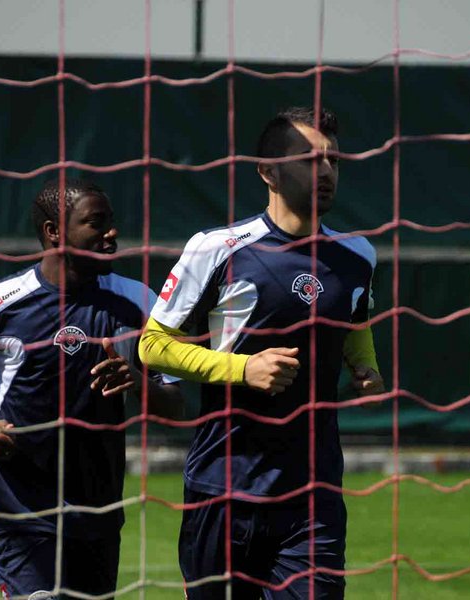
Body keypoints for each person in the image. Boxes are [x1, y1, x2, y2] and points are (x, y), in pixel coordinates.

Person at [139, 107, 384, 599]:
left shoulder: (358, 255)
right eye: (309, 160)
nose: (326, 172)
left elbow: (357, 317)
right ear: (268, 172)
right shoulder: (217, 249)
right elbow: (152, 345)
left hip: (314, 492)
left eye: (333, 161)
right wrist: (243, 368)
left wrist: (366, 367)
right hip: (224, 486)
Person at [0, 179, 182, 599]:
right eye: (95, 222)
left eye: (111, 221)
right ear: (54, 231)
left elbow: (176, 406)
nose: (111, 233)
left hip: (99, 507)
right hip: (21, 506)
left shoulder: (139, 302)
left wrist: (138, 384)